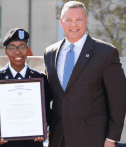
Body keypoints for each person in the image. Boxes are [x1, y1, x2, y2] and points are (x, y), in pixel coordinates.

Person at [44, 1, 126, 147]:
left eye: (79, 20)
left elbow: (118, 99)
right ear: (62, 22)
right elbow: (49, 94)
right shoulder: (50, 53)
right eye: (68, 20)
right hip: (58, 139)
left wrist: (112, 138)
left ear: (86, 21)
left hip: (92, 138)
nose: (73, 25)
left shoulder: (106, 53)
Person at [0, 28, 52, 147]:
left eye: (22, 47)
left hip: (32, 143)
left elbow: (47, 111)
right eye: (12, 48)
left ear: (27, 49)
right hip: (3, 143)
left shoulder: (41, 79)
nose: (18, 52)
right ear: (6, 51)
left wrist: (44, 127)